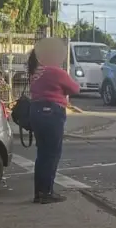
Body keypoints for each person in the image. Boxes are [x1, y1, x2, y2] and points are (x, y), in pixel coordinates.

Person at [28, 48, 80, 203]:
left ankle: (39, 192)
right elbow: (75, 88)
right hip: (52, 112)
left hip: (36, 111)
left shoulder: (35, 72)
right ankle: (47, 192)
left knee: (42, 154)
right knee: (52, 154)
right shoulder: (56, 72)